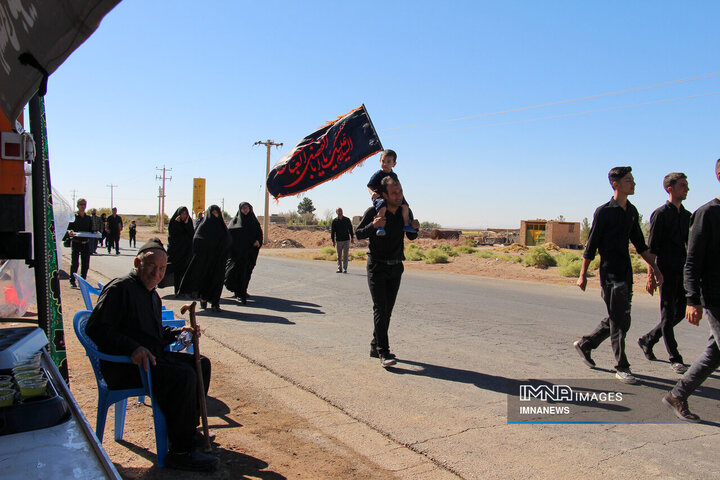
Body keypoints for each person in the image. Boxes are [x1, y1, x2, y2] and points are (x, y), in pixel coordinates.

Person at [85, 239, 218, 471]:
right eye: (151, 267)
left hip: (151, 360)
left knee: (201, 364)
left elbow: (155, 334)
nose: (157, 274)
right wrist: (131, 348)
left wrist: (179, 332)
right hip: (126, 367)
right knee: (183, 377)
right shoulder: (120, 289)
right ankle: (181, 451)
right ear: (137, 263)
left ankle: (186, 431)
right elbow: (95, 328)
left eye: (162, 269)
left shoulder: (152, 295)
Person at [574, 166, 663, 384]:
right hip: (609, 274)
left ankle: (587, 344)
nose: (633, 184)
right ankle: (622, 366)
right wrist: (582, 274)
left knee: (622, 319)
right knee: (619, 321)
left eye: (633, 180)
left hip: (626, 272)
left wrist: (657, 270)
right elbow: (591, 245)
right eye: (628, 180)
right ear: (616, 184)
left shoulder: (631, 211)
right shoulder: (604, 212)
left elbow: (641, 246)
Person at [662, 159, 720, 422]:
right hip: (715, 297)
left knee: (713, 355)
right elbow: (692, 261)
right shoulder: (706, 214)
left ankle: (677, 394)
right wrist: (692, 299)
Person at [356, 177, 420, 367]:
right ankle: (384, 352)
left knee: (387, 311)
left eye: (400, 192)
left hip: (396, 266)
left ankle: (375, 345)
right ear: (384, 195)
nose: (399, 196)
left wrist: (416, 227)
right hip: (376, 266)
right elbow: (358, 234)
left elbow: (411, 236)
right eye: (394, 193)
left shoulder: (404, 212)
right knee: (380, 308)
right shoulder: (373, 211)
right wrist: (373, 226)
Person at [638, 173, 691, 374]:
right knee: (668, 314)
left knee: (680, 312)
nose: (686, 189)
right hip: (665, 271)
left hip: (683, 271)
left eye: (687, 185)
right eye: (682, 185)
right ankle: (675, 358)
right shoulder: (660, 214)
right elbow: (652, 250)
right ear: (670, 188)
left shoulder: (688, 217)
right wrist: (651, 275)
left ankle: (648, 339)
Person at [180, 205, 230, 312]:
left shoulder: (222, 227)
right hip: (206, 260)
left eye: (217, 213)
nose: (215, 215)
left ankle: (215, 303)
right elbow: (197, 240)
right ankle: (203, 299)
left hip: (219, 260)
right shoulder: (204, 226)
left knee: (217, 281)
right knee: (206, 280)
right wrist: (208, 246)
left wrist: (223, 248)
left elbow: (228, 240)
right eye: (213, 213)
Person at [367, 149, 416, 236]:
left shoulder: (394, 175)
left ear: (394, 164)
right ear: (379, 161)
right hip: (380, 197)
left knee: (405, 206)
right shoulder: (377, 175)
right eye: (383, 161)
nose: (385, 164)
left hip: (393, 196)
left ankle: (406, 225)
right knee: (383, 207)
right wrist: (372, 193)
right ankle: (380, 227)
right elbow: (369, 186)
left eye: (388, 162)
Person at [224, 202, 263, 305]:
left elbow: (259, 234)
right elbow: (229, 237)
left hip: (250, 253)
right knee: (236, 273)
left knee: (247, 273)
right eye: (243, 208)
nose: (245, 210)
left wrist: (258, 241)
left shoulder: (254, 222)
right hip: (238, 254)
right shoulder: (235, 222)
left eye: (247, 208)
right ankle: (238, 292)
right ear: (240, 209)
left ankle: (242, 291)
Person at [168, 206, 195, 297]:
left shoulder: (189, 222)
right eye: (182, 213)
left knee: (185, 271)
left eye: (185, 214)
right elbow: (172, 236)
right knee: (177, 272)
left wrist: (187, 224)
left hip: (187, 252)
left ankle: (184, 290)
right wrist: (176, 224)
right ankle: (177, 290)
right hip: (176, 252)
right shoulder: (173, 223)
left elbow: (191, 234)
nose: (184, 215)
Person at [67, 198, 93, 288]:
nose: (83, 206)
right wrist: (69, 232)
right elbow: (69, 229)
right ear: (78, 206)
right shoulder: (74, 217)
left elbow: (91, 230)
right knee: (75, 263)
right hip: (76, 242)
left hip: (85, 243)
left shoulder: (88, 218)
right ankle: (72, 281)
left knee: (85, 264)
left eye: (84, 204)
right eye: (81, 204)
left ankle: (83, 282)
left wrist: (97, 232)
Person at [331, 207, 354, 273]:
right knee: (339, 255)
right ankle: (339, 268)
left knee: (345, 255)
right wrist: (333, 241)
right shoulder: (334, 221)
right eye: (339, 211)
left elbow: (350, 229)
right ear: (336, 212)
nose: (340, 212)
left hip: (346, 240)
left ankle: (345, 268)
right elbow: (332, 232)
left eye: (341, 210)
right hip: (339, 240)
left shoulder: (347, 220)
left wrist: (352, 238)